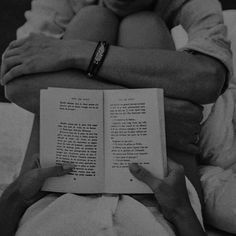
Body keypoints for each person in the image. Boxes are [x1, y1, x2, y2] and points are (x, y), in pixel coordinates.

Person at [0, 0, 232, 218]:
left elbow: (209, 78)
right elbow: (17, 81)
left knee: (139, 23)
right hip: (165, 117)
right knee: (97, 18)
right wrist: (157, 113)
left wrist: (75, 52)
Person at [0, 154, 206, 236]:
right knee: (182, 111)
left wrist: (17, 195)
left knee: (41, 89)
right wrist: (180, 210)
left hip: (49, 188)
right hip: (157, 195)